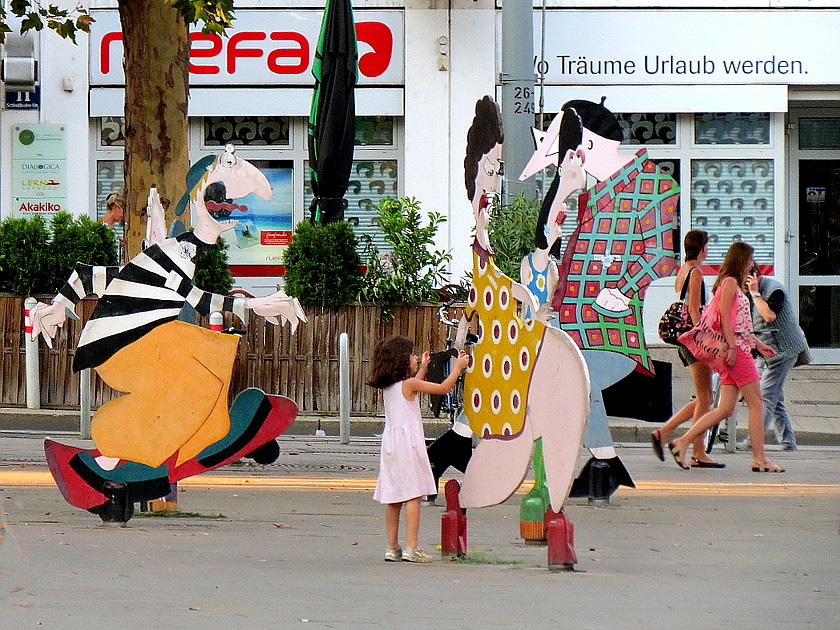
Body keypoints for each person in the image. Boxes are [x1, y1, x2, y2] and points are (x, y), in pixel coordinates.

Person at [669, 241, 783, 473]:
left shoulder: (736, 284)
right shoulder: (729, 282)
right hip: (737, 353)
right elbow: (723, 318)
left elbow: (741, 324)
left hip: (739, 348)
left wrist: (758, 345)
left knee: (725, 409)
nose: (753, 264)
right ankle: (759, 458)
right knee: (757, 403)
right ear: (741, 260)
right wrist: (732, 347)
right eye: (750, 259)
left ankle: (682, 442)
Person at [367, 336, 469, 563]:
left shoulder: (392, 385)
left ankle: (392, 547)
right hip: (408, 445)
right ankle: (412, 547)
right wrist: (458, 369)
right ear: (402, 361)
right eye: (412, 355)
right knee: (413, 495)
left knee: (394, 497)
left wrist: (423, 369)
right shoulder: (409, 385)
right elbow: (443, 388)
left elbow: (412, 389)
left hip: (392, 445)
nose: (415, 357)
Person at [651, 230, 724, 468]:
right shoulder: (696, 272)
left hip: (684, 338)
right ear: (702, 248)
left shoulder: (683, 270)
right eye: (707, 246)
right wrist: (704, 339)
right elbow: (694, 309)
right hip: (693, 340)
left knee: (704, 397)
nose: (708, 251)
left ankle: (663, 433)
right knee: (706, 399)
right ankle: (698, 450)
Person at [738, 266, 809, 451]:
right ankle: (788, 443)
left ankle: (754, 441)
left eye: (746, 280)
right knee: (775, 399)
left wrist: (755, 293)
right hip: (766, 351)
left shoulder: (774, 290)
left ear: (755, 276)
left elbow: (769, 316)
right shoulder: (748, 293)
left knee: (765, 397)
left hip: (783, 351)